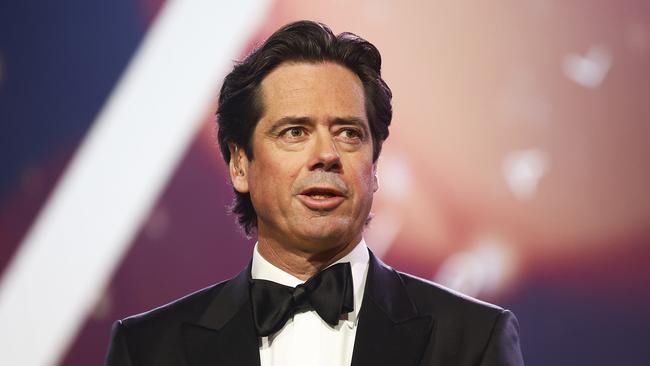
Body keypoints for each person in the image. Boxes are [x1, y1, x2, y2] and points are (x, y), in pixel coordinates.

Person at [104, 20, 525, 366]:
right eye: (294, 132)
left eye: (348, 133)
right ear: (239, 164)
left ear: (374, 165)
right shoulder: (149, 350)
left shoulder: (473, 341)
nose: (326, 154)